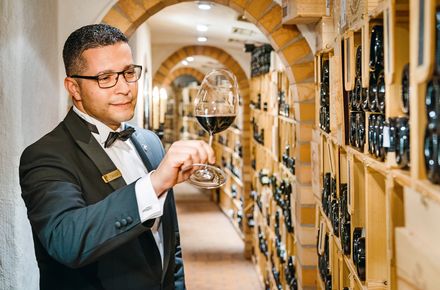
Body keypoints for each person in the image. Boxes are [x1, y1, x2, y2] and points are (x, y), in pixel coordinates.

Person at [19, 23, 215, 290]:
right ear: (74, 88)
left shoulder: (150, 142)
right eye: (106, 77)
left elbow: (170, 244)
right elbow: (67, 241)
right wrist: (154, 183)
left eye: (128, 73)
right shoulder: (45, 155)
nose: (124, 88)